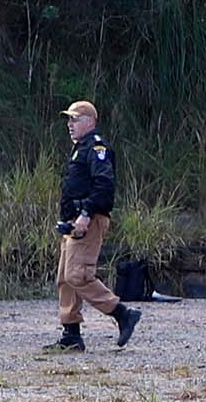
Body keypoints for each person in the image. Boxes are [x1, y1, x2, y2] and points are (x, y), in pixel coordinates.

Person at [50, 98, 141, 352]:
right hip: (75, 220)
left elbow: (105, 186)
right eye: (68, 119)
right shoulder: (81, 147)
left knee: (78, 275)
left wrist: (86, 214)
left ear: (90, 122)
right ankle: (71, 335)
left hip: (88, 220)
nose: (69, 124)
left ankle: (122, 313)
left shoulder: (97, 148)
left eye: (74, 119)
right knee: (65, 279)